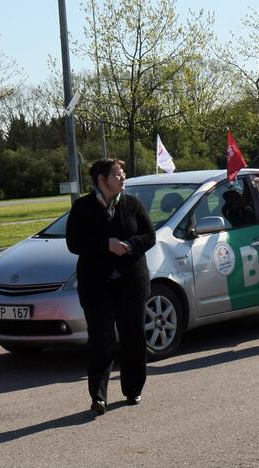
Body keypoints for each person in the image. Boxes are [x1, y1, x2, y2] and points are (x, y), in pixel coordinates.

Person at [65, 159, 156, 415]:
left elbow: (150, 235)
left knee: (133, 337)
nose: (123, 177)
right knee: (101, 340)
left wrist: (131, 245)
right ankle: (98, 396)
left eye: (123, 173)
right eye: (118, 174)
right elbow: (74, 243)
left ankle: (133, 388)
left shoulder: (132, 204)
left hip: (131, 283)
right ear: (102, 180)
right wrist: (106, 245)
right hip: (97, 286)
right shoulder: (82, 207)